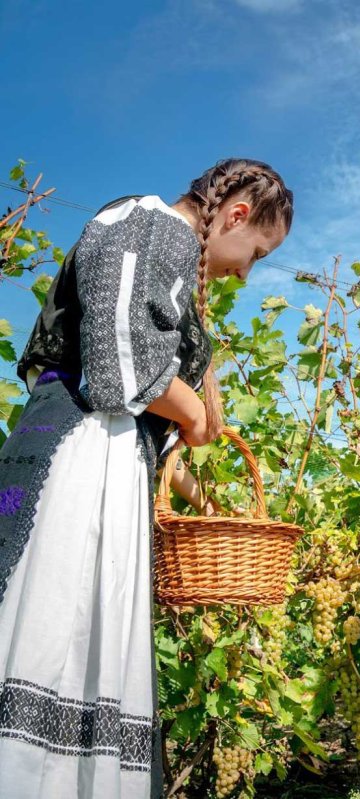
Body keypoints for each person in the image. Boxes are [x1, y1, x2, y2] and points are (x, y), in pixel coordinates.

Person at [0, 159, 293, 796]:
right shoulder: (148, 221)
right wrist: (195, 415)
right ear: (237, 215)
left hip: (113, 460)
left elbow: (143, 415)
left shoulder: (173, 260)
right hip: (77, 456)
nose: (246, 270)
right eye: (258, 253)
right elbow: (118, 361)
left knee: (86, 646)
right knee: (58, 632)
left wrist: (201, 495)